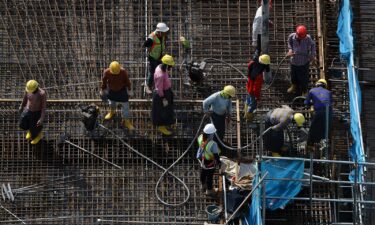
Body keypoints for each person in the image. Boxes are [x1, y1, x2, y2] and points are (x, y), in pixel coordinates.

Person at [100, 61, 134, 130]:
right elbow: (104, 81)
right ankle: (112, 112)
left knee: (126, 107)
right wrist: (102, 89)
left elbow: (127, 81)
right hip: (112, 91)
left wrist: (129, 90)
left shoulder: (123, 72)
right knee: (112, 103)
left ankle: (126, 121)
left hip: (122, 91)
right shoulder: (106, 72)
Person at [286, 25, 317, 96]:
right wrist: (290, 50)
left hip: (304, 62)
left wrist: (312, 55)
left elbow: (313, 45)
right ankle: (294, 85)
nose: (302, 38)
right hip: (294, 61)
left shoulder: (307, 38)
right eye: (300, 37)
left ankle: (304, 90)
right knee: (293, 75)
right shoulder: (292, 36)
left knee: (304, 78)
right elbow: (289, 43)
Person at [304, 79, 333, 150]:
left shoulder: (312, 90)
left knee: (313, 128)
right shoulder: (329, 92)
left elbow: (306, 103)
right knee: (326, 127)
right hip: (328, 111)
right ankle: (324, 143)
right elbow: (330, 102)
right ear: (325, 86)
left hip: (319, 111)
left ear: (317, 84)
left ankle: (310, 144)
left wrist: (312, 103)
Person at [152, 54, 175, 135]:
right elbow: (159, 88)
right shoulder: (160, 75)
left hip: (166, 91)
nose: (171, 68)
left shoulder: (160, 67)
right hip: (162, 94)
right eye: (170, 66)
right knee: (163, 110)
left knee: (168, 108)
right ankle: (161, 126)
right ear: (166, 65)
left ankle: (166, 124)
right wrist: (163, 98)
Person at [143, 22, 169, 93]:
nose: (165, 33)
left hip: (160, 56)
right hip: (153, 57)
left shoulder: (163, 36)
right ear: (159, 32)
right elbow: (146, 44)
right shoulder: (152, 37)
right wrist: (147, 43)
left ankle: (158, 86)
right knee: (152, 72)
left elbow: (164, 43)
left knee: (161, 72)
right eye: (164, 32)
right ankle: (148, 86)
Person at [19, 80, 47, 144]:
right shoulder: (28, 90)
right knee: (22, 124)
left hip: (36, 112)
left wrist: (41, 118)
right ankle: (30, 130)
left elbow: (43, 107)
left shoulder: (42, 93)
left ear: (36, 87)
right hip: (27, 110)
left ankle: (38, 135)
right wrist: (21, 105)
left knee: (34, 127)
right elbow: (25, 98)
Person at [196, 123, 221, 196]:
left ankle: (203, 185)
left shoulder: (200, 137)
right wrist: (219, 163)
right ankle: (209, 190)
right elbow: (216, 155)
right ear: (211, 134)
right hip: (210, 162)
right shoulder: (213, 144)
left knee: (203, 172)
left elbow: (200, 147)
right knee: (209, 176)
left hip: (202, 159)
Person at [245, 54, 271, 122]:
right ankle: (248, 118)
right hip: (253, 91)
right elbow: (256, 88)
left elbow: (249, 65)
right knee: (253, 105)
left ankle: (246, 113)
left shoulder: (252, 63)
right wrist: (258, 97)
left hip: (249, 87)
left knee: (248, 101)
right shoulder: (259, 76)